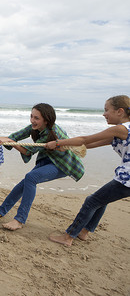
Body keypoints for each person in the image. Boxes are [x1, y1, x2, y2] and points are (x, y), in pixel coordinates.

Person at [46, 95, 130, 246]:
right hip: (126, 178)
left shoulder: (121, 129)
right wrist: (66, 145)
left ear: (120, 111)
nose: (104, 114)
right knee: (101, 200)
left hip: (127, 178)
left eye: (106, 110)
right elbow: (91, 144)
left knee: (91, 201)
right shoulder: (121, 131)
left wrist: (58, 142)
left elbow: (85, 139)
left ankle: (68, 236)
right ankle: (84, 232)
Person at [0, 103, 85, 230]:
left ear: (46, 120)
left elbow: (27, 151)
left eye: (36, 118)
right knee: (24, 183)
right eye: (31, 116)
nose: (32, 120)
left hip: (63, 164)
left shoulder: (52, 132)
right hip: (48, 159)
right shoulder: (34, 127)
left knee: (31, 178)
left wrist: (12, 143)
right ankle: (1, 211)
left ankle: (19, 220)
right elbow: (13, 137)